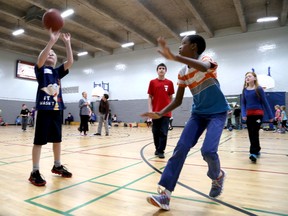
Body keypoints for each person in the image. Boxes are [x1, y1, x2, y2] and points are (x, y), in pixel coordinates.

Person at [142, 35, 230, 210]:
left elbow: (204, 67)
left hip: (218, 112)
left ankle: (217, 176)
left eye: (183, 44)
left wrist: (175, 57)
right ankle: (165, 195)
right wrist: (159, 113)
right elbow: (177, 101)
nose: (180, 47)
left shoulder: (206, 60)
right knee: (180, 148)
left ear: (194, 46)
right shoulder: (182, 73)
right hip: (198, 115)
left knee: (208, 151)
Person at [28, 30, 73, 187]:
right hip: (43, 109)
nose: (51, 54)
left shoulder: (57, 72)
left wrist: (67, 43)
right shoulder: (40, 70)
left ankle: (57, 164)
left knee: (57, 139)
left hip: (57, 109)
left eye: (54, 54)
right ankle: (34, 171)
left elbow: (70, 62)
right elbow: (41, 59)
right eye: (48, 53)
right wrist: (51, 42)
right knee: (39, 141)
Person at [241, 72, 273, 163]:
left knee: (255, 131)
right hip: (249, 115)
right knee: (251, 133)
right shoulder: (245, 90)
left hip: (258, 114)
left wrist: (270, 116)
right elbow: (243, 103)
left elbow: (265, 102)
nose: (247, 78)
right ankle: (257, 148)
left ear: (254, 78)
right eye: (246, 76)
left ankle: (253, 153)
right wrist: (243, 114)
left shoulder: (258, 89)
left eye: (249, 76)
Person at [147, 63, 175, 159]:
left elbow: (171, 98)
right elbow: (150, 97)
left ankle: (161, 150)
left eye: (163, 68)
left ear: (165, 71)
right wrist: (150, 111)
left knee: (164, 132)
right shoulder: (152, 82)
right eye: (160, 68)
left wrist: (170, 110)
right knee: (155, 132)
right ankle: (157, 148)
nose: (161, 70)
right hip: (155, 113)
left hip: (166, 113)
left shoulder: (170, 83)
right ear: (157, 70)